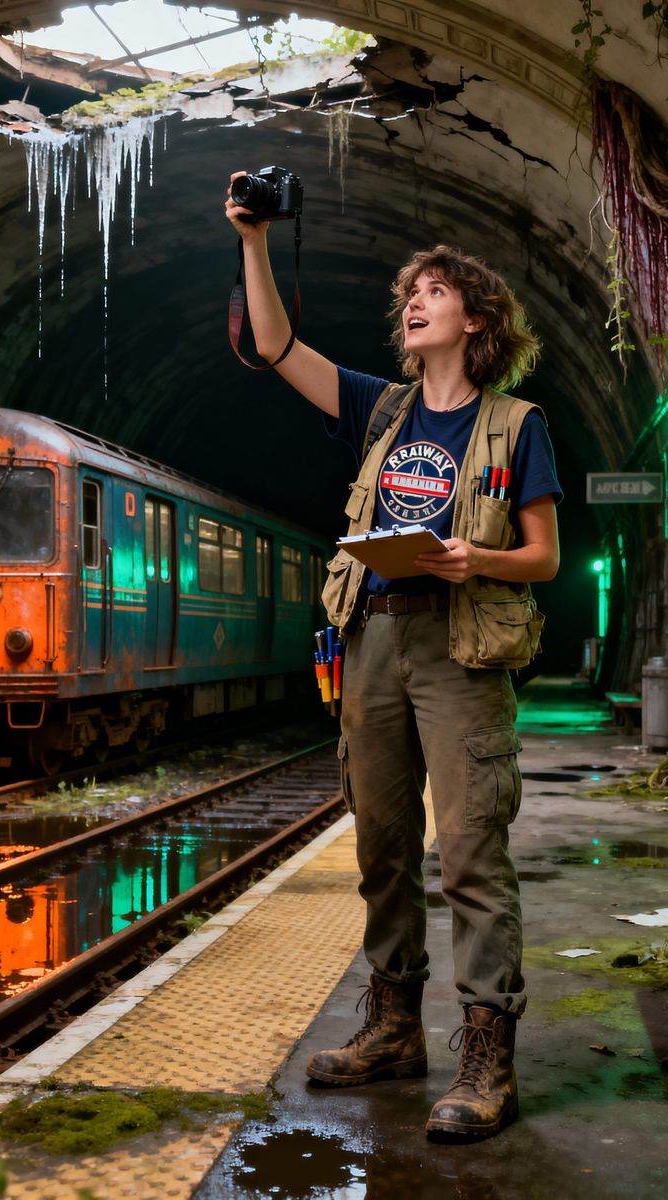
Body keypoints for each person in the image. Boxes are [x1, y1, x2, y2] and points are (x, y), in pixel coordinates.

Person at [225, 172, 561, 1141]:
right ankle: (391, 1028)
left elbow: (541, 555)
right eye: (409, 295)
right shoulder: (382, 411)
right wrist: (253, 241)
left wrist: (474, 558)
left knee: (467, 849)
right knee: (378, 846)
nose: (412, 304)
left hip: (457, 645)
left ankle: (486, 1058)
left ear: (475, 320)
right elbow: (278, 348)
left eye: (433, 294)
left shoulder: (515, 425)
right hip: (373, 635)